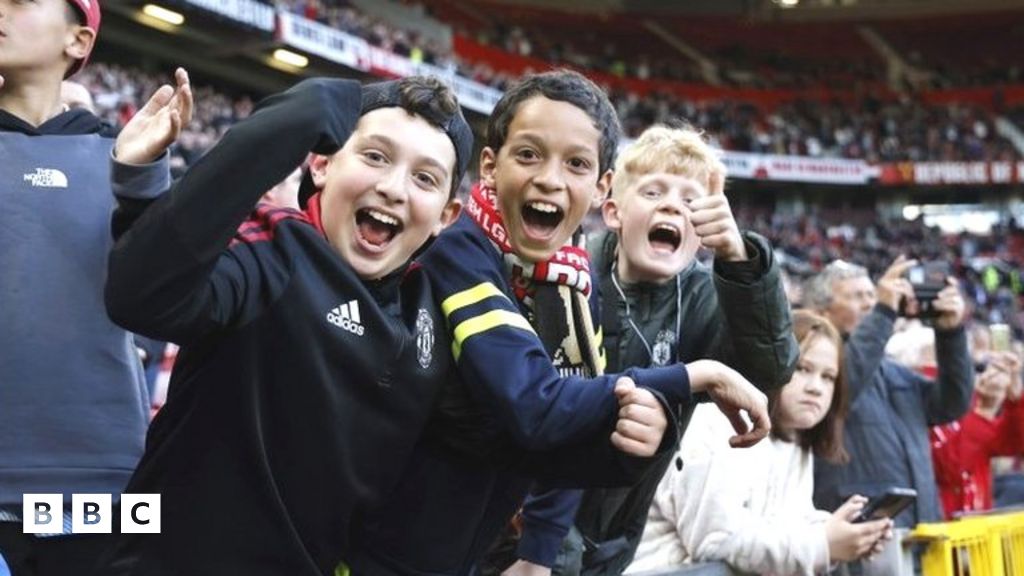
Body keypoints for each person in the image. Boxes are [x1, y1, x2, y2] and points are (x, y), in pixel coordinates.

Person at [347, 70, 771, 576]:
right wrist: (693, 376)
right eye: (528, 154)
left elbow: (564, 433)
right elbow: (533, 405)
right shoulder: (458, 254)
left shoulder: (572, 281)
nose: (550, 179)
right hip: (375, 549)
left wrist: (539, 551)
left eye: (576, 164)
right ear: (490, 166)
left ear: (600, 187)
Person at [99, 75, 477, 575]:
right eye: (375, 157)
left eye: (425, 179)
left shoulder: (437, 312)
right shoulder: (271, 249)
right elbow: (142, 297)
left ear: (446, 215)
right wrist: (299, 115)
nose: (392, 189)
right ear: (321, 164)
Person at [516, 124, 800, 575]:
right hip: (524, 538)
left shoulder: (709, 295)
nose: (672, 205)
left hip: (612, 544)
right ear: (613, 212)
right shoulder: (564, 278)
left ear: (704, 227)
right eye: (653, 192)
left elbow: (768, 372)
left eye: (691, 201)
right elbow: (538, 417)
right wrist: (545, 558)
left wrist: (742, 262)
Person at [0, 0, 169, 572]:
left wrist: (146, 180)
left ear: (78, 40)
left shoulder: (128, 162)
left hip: (100, 485)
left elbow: (171, 294)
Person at [626, 311, 893, 576]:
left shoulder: (795, 440)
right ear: (773, 367)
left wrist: (845, 531)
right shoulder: (722, 423)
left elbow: (784, 524)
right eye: (802, 369)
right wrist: (823, 543)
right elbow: (715, 542)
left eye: (828, 377)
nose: (816, 388)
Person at [806, 257, 972, 528]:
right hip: (858, 540)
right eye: (857, 296)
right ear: (822, 313)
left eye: (873, 294)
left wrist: (950, 333)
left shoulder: (893, 371)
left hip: (921, 529)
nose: (871, 303)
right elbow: (842, 388)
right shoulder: (811, 372)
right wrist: (883, 312)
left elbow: (952, 404)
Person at [931, 339, 1024, 518]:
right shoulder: (918, 414)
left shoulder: (969, 408)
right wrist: (985, 409)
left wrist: (1015, 399)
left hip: (979, 533)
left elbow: (1016, 443)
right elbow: (950, 469)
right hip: (942, 534)